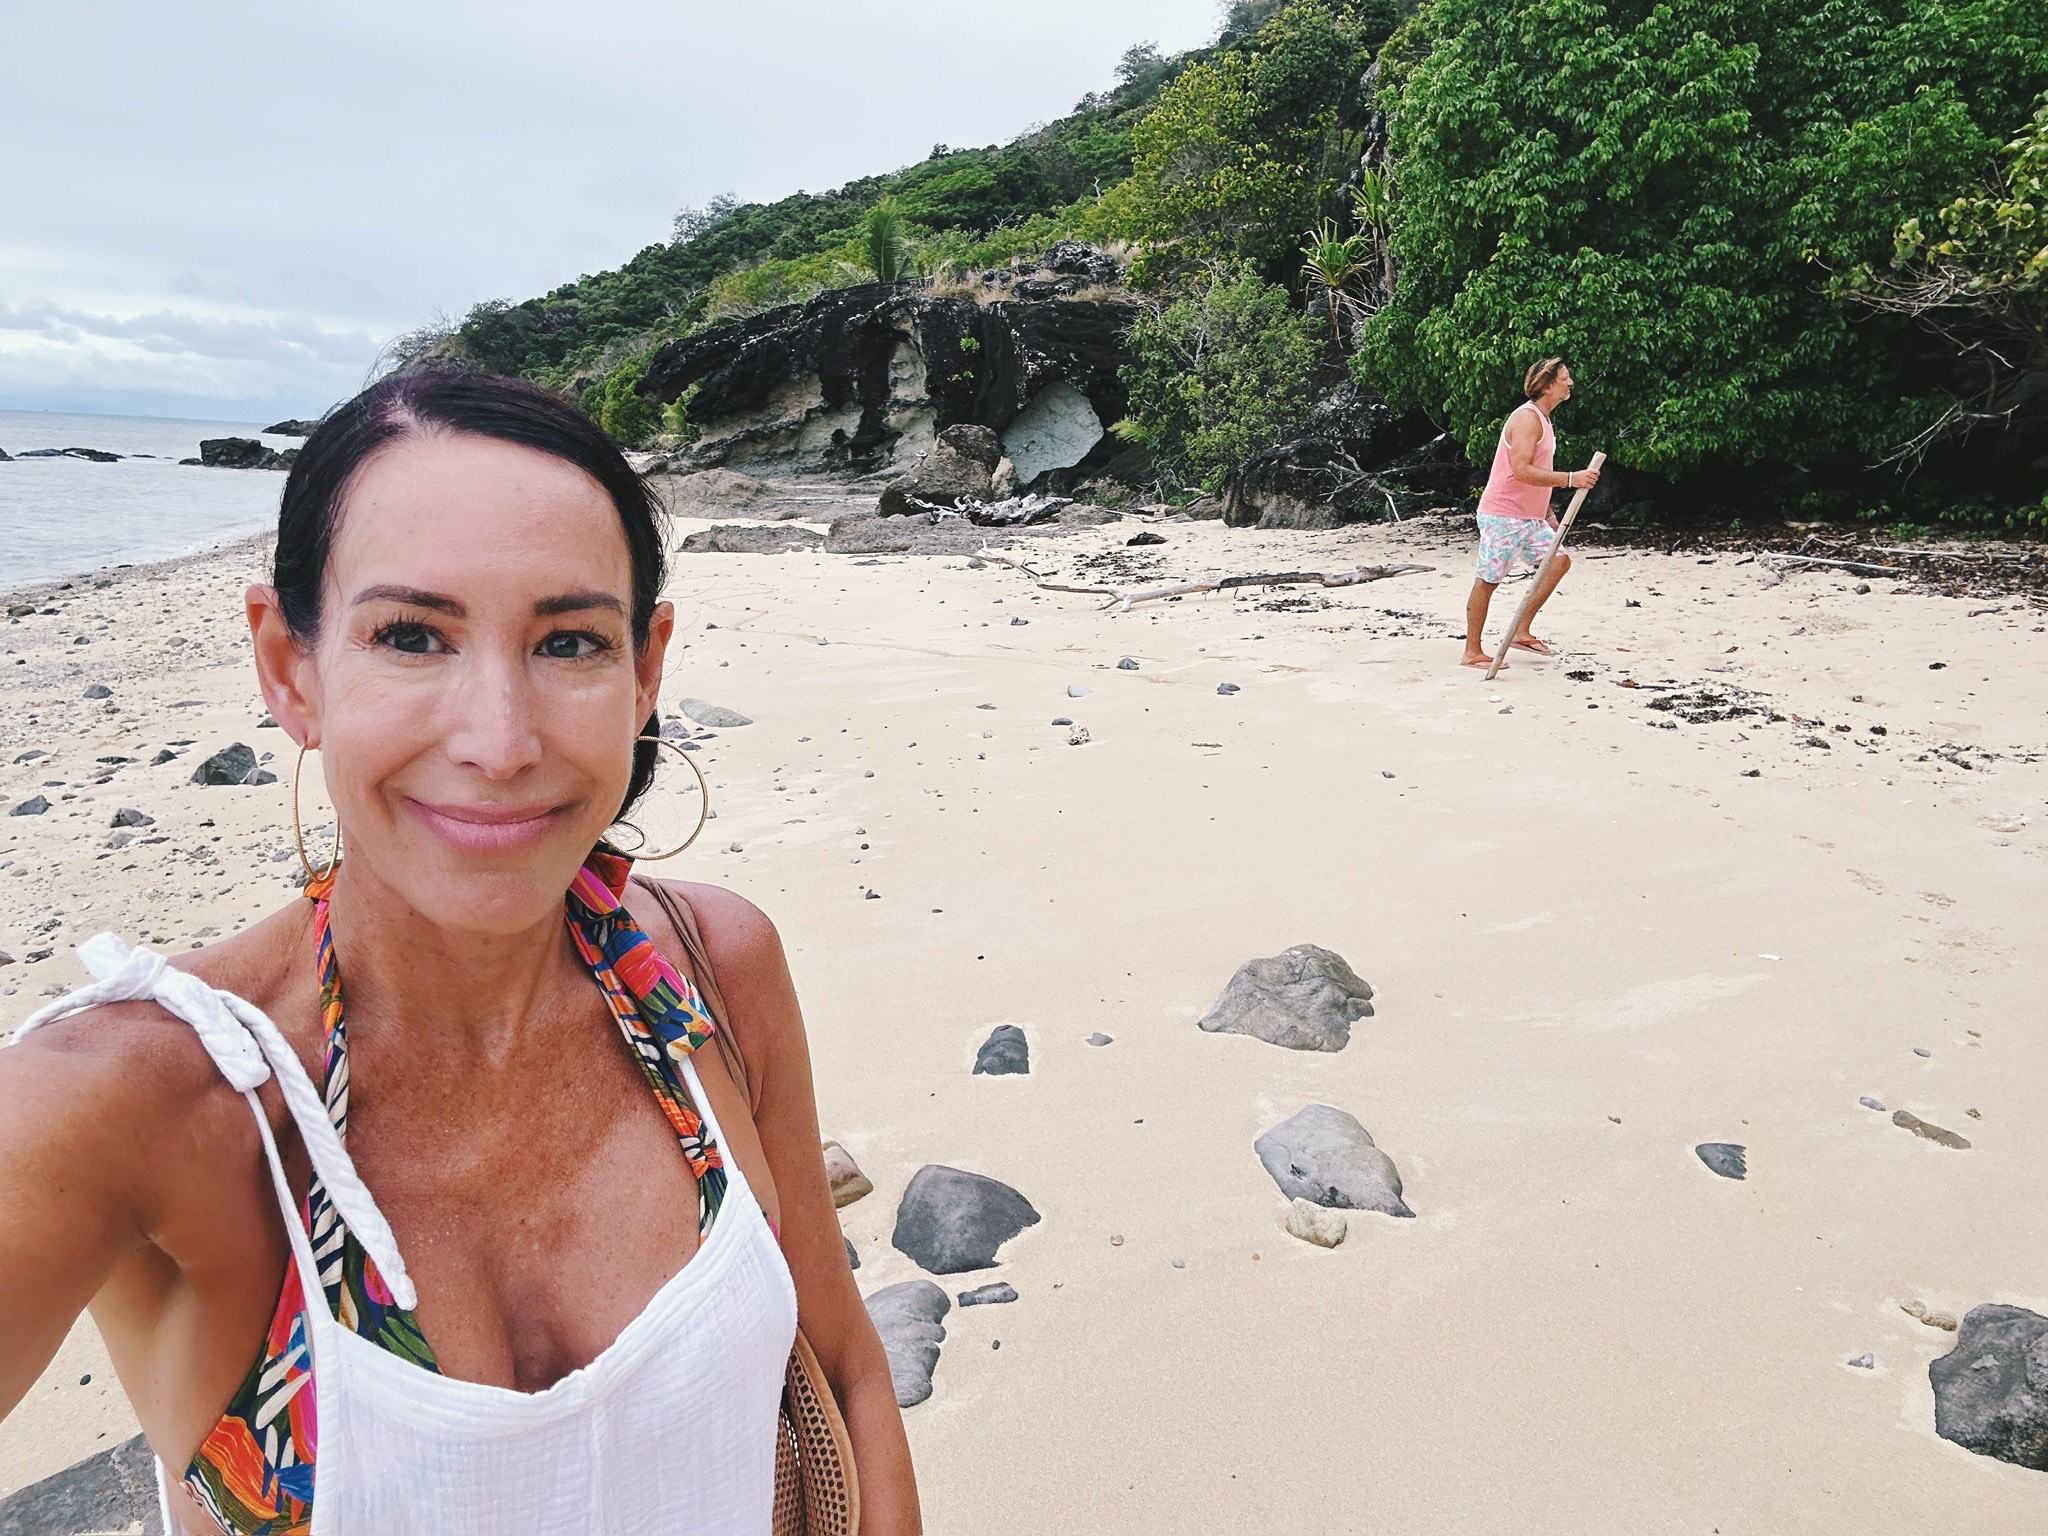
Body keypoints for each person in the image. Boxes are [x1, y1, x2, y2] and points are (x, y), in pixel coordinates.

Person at [0, 370, 920, 1534]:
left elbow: (842, 1372)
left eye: (569, 642)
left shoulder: (711, 972)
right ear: (290, 665)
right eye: (411, 635)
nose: (498, 740)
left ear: (646, 671)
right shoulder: (148, 1098)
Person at [1461, 357, 1601, 668]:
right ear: (1548, 385)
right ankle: (1472, 652)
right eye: (1565, 378)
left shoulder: (1544, 418)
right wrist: (1571, 479)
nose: (1570, 383)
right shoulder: (1527, 419)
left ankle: (1520, 631)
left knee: (1559, 562)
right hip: (1504, 515)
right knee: (1488, 580)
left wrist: (1548, 513)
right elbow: (1521, 470)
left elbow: (1537, 472)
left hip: (1531, 517)